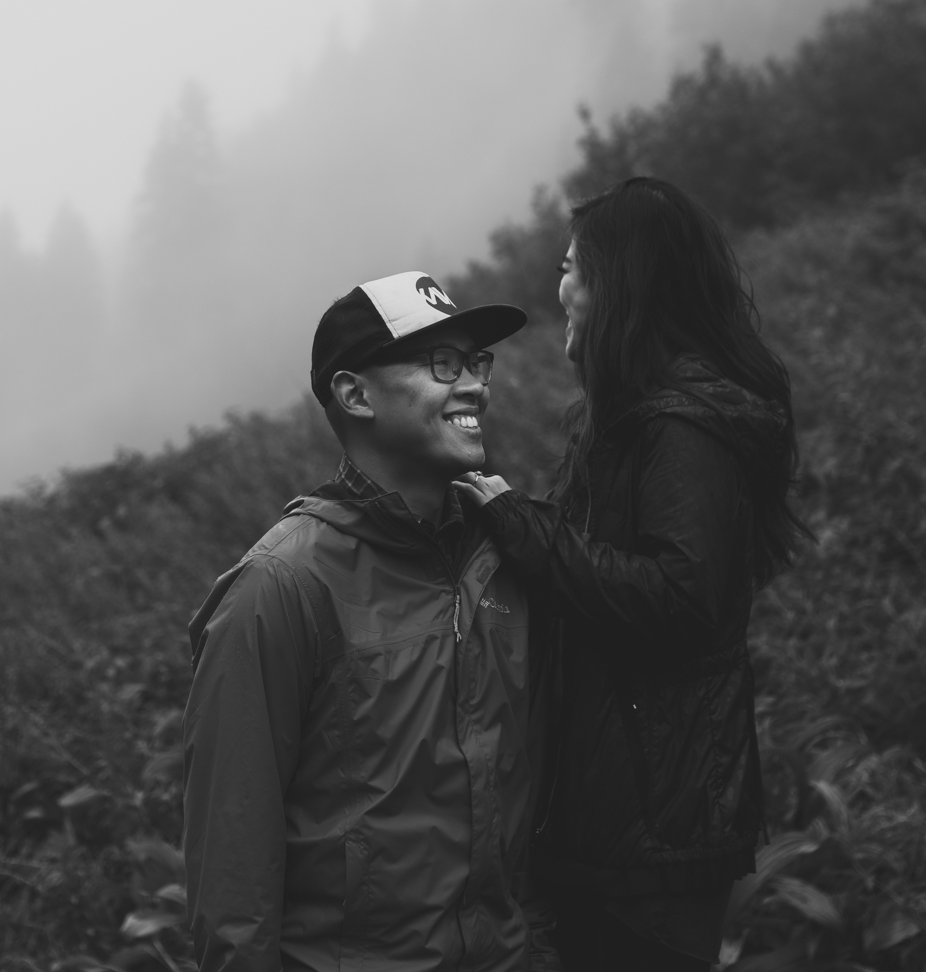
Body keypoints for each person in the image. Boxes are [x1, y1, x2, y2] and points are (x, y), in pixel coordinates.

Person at [454, 177, 805, 972]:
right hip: (629, 817)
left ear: (622, 284)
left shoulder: (682, 427)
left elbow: (683, 598)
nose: (562, 289)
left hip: (655, 830)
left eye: (574, 268)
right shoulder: (638, 418)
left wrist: (521, 525)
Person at [182, 270, 548, 972]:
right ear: (354, 394)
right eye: (442, 362)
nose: (473, 383)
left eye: (476, 362)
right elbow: (232, 868)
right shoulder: (280, 587)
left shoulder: (502, 554)